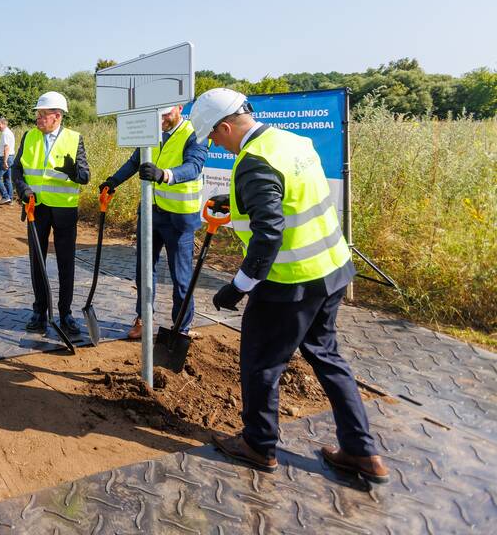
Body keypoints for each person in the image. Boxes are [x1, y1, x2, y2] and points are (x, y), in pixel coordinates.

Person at [189, 88, 388, 482]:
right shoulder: (292, 142)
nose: (215, 144)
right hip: (331, 271)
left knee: (262, 363)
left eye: (213, 137)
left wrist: (238, 286)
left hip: (288, 283)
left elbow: (268, 235)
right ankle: (362, 452)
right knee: (327, 357)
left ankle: (259, 446)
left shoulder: (253, 161)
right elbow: (292, 198)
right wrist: (238, 200)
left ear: (226, 126)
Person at [101, 104, 208, 340]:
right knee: (144, 269)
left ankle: (181, 327)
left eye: (166, 113)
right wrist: (113, 181)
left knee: (181, 277)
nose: (161, 119)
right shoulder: (151, 132)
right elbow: (134, 162)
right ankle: (143, 318)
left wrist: (164, 175)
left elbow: (194, 166)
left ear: (179, 108)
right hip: (151, 213)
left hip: (179, 218)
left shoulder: (193, 133)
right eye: (157, 114)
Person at [11, 91, 90, 335]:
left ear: (57, 116)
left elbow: (85, 177)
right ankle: (39, 311)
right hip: (37, 209)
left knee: (66, 263)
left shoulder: (74, 139)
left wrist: (73, 171)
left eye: (43, 114)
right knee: (38, 262)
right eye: (38, 114)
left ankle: (65, 313)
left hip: (65, 211)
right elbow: (17, 170)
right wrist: (22, 189)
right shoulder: (29, 137)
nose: (38, 118)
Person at [0, 117, 16, 205]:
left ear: (4, 124)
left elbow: (6, 148)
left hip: (5, 158)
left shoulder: (5, 134)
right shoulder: (8, 132)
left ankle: (5, 196)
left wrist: (4, 161)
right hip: (9, 157)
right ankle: (10, 199)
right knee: (7, 179)